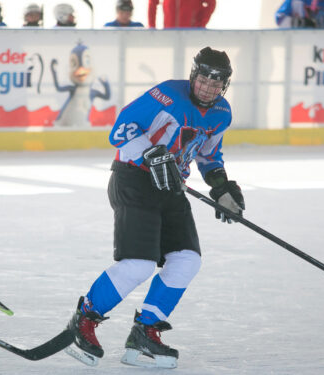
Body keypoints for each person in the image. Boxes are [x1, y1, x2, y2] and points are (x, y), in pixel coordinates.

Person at [64, 47, 243, 369]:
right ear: (194, 76)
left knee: (187, 260)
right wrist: (152, 154)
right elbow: (120, 131)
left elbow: (208, 155)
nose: (208, 88)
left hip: (171, 187)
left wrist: (221, 187)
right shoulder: (166, 95)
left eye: (216, 84)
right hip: (134, 179)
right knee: (138, 265)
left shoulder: (222, 114)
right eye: (203, 79)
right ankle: (84, 320)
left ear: (225, 86)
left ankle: (145, 332)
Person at [148, 0, 216, 29]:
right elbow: (152, 2)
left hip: (191, 33)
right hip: (169, 33)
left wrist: (200, 24)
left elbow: (211, 3)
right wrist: (152, 27)